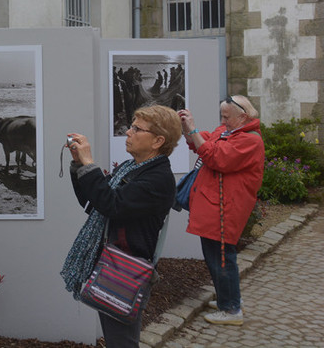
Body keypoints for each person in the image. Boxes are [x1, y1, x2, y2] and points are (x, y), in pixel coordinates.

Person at [61, 105, 181, 348]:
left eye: (137, 129)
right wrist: (79, 165)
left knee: (122, 342)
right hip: (111, 263)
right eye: (131, 126)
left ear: (158, 141)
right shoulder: (132, 168)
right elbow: (94, 203)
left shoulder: (157, 179)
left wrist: (89, 163)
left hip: (125, 270)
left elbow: (111, 204)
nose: (128, 132)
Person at [177, 95, 264, 326]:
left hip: (225, 210)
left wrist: (193, 130)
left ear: (243, 117)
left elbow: (216, 157)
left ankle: (231, 309)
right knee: (217, 256)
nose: (223, 121)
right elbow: (202, 143)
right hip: (217, 207)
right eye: (222, 116)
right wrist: (188, 129)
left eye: (226, 117)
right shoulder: (230, 132)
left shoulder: (250, 140)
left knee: (222, 258)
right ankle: (229, 299)